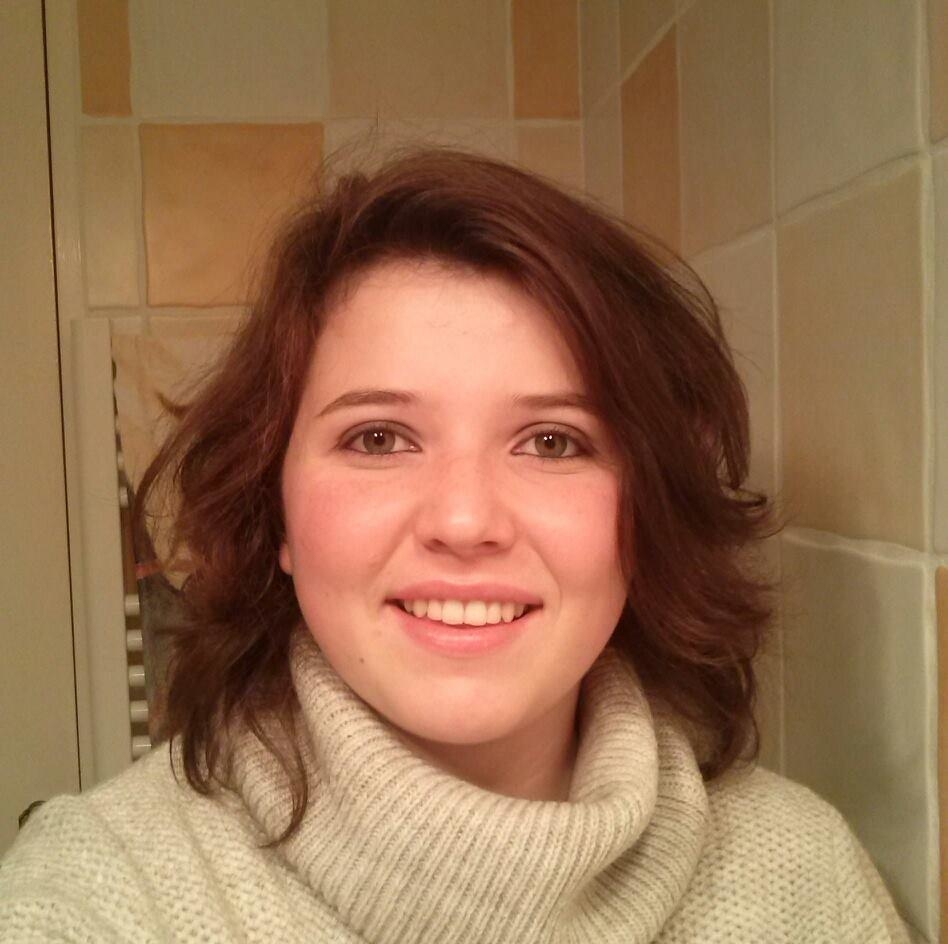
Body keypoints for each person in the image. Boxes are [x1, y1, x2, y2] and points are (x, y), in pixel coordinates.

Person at [0, 148, 910, 942]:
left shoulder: (806, 875)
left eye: (553, 442)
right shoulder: (95, 893)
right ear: (275, 512)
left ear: (647, 515)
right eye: (378, 438)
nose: (466, 521)